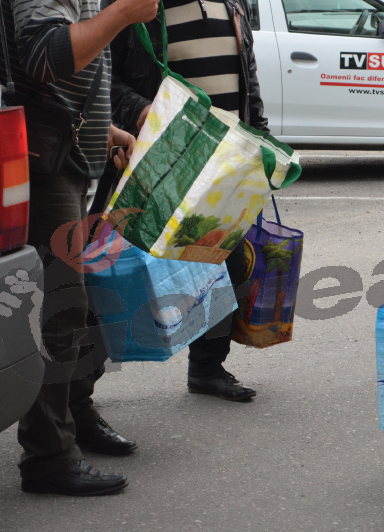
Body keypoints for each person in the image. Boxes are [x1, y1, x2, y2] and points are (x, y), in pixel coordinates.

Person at [0, 0, 158, 495]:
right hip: (48, 169)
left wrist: (103, 130)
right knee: (60, 312)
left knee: (83, 304)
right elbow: (46, 55)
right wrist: (123, 13)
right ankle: (49, 457)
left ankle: (75, 417)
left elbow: (59, 80)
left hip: (70, 157)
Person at [106, 0, 268, 402]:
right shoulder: (138, 7)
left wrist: (261, 139)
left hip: (227, 160)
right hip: (169, 157)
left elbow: (247, 76)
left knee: (226, 263)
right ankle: (77, 390)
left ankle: (207, 367)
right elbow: (105, 78)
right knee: (125, 268)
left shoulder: (231, 3)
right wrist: (141, 110)